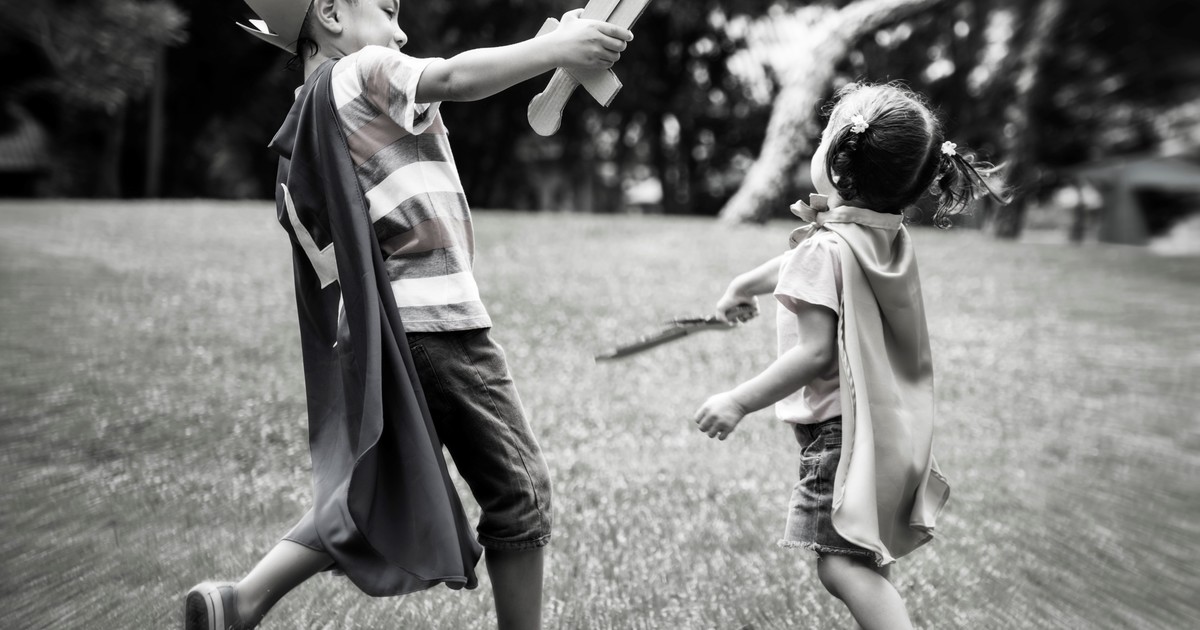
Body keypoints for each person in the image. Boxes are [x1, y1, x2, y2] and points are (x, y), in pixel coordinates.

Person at [183, 2, 633, 629]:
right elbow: (453, 77)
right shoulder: (364, 69)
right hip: (436, 322)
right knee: (520, 491)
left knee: (376, 487)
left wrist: (549, 47)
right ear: (331, 12)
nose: (400, 31)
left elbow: (460, 84)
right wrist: (558, 51)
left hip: (386, 334)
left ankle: (241, 601)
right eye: (388, 9)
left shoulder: (311, 110)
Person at [692, 82, 1006, 630]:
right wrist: (744, 284)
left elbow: (815, 353)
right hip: (887, 425)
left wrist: (738, 401)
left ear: (838, 163)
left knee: (839, 565)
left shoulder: (827, 246)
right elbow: (812, 256)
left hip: (840, 435)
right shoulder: (884, 234)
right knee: (864, 555)